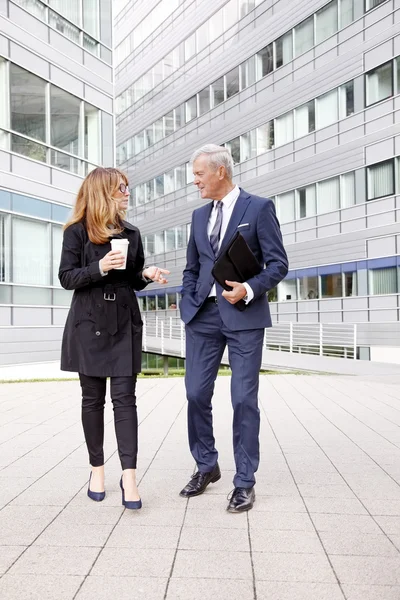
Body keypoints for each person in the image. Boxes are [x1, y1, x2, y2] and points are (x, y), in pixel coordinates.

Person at [179, 145, 288, 513]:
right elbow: (192, 266)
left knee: (243, 399)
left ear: (220, 172)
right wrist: (186, 302)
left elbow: (278, 264)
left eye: (199, 174)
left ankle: (244, 482)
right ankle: (207, 465)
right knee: (195, 394)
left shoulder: (258, 208)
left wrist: (249, 288)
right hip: (202, 317)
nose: (194, 181)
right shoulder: (197, 216)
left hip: (243, 316)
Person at [59, 167, 169, 509]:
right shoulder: (77, 232)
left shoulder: (132, 233)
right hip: (88, 321)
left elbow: (133, 278)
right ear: (103, 191)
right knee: (92, 400)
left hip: (123, 321)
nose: (127, 193)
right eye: (122, 188)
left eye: (127, 187)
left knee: (126, 400)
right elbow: (66, 277)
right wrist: (100, 267)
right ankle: (97, 469)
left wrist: (146, 274)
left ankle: (130, 477)